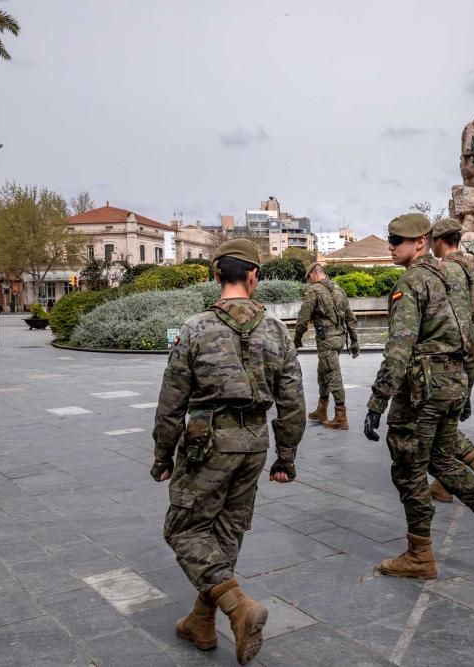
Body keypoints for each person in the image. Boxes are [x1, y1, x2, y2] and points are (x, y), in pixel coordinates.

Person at [151, 239, 305, 665]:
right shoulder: (276, 330)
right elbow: (292, 400)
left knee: (183, 530)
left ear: (216, 275)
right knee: (226, 532)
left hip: (206, 445)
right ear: (254, 276)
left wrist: (163, 456)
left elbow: (172, 401)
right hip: (254, 444)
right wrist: (286, 456)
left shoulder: (196, 328)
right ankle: (201, 622)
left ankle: (238, 609)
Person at [363, 213, 474, 579]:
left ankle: (419, 555)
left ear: (421, 241)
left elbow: (399, 348)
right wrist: (465, 386)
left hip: (421, 391)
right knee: (443, 461)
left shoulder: (411, 282)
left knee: (408, 468)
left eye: (397, 241)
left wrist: (378, 400)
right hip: (452, 382)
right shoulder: (455, 275)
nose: (390, 247)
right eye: (390, 240)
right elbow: (469, 335)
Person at [427, 218, 474, 504]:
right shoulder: (469, 270)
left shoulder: (444, 270)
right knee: (444, 428)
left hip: (445, 360)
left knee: (430, 429)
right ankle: (446, 484)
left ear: (439, 240)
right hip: (466, 356)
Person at [294, 262, 360, 429]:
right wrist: (354, 341)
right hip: (339, 339)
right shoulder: (339, 289)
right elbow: (350, 318)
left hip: (327, 341)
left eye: (309, 279)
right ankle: (321, 410)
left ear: (312, 275)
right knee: (322, 372)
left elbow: (303, 319)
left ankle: (340, 418)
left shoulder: (314, 290)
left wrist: (296, 340)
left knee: (332, 375)